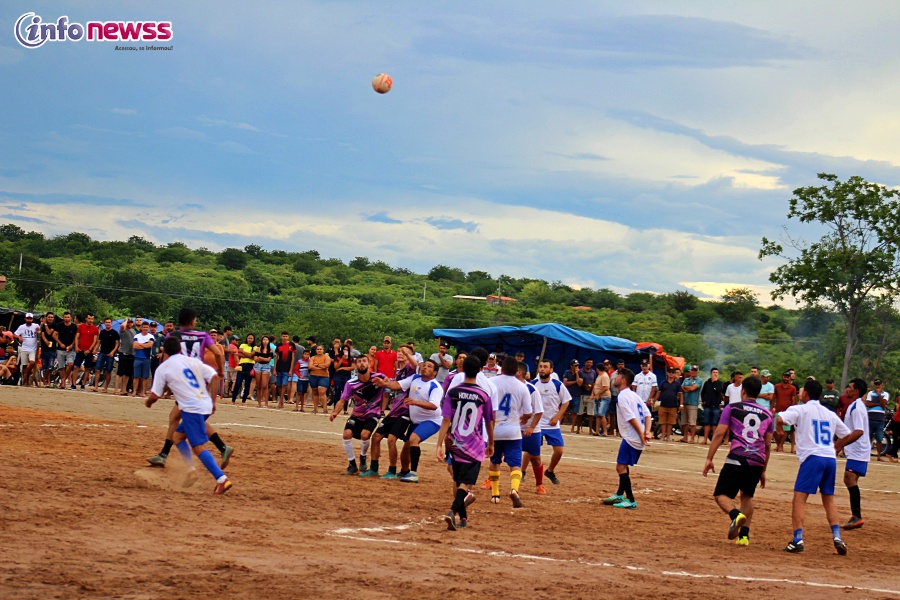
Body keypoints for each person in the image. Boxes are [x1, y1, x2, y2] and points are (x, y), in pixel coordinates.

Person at [144, 336, 232, 494]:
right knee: (177, 437)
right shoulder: (192, 361)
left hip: (192, 408)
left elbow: (155, 395)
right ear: (179, 349)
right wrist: (212, 401)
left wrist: (148, 402)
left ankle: (221, 479)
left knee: (197, 446)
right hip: (203, 403)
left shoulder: (163, 368)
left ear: (165, 351)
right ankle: (191, 470)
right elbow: (213, 376)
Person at [777, 379, 854, 555]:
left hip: (812, 458)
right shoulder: (829, 413)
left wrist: (779, 427)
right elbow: (847, 434)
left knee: (799, 499)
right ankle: (837, 536)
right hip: (829, 459)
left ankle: (798, 539)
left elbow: (780, 417)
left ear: (805, 394)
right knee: (828, 500)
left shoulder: (801, 409)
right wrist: (836, 447)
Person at [702, 376, 773, 547]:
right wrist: (763, 469)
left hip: (738, 456)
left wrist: (709, 458)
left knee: (721, 495)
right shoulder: (768, 414)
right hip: (757, 459)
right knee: (747, 496)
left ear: (743, 391)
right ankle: (744, 537)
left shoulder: (732, 408)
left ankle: (735, 515)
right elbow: (768, 444)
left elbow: (719, 433)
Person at [435, 355, 495, 531]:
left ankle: (463, 518)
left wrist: (439, 444)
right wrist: (491, 442)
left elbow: (446, 419)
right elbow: (489, 422)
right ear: (480, 370)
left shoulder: (452, 393)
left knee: (458, 479)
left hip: (455, 441)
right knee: (465, 483)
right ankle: (452, 511)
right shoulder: (483, 395)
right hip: (474, 444)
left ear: (461, 369)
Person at [376, 359, 443, 482]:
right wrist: (384, 384)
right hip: (416, 420)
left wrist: (414, 402)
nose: (424, 368)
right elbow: (397, 385)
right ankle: (405, 471)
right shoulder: (414, 378)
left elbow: (434, 405)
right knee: (407, 446)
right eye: (424, 365)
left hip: (431, 420)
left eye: (429, 367)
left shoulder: (435, 386)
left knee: (413, 439)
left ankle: (413, 473)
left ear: (434, 373)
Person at [482, 357, 532, 507]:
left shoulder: (491, 382)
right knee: (515, 464)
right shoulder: (522, 386)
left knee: (494, 461)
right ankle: (514, 489)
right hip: (512, 430)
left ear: (501, 368)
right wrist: (522, 419)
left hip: (494, 428)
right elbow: (529, 412)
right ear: (517, 371)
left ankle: (495, 494)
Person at [602, 368, 651, 509]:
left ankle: (630, 499)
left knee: (620, 467)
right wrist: (647, 431)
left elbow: (631, 418)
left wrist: (642, 435)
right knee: (623, 465)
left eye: (618, 377)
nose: (615, 378)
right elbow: (648, 415)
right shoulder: (634, 395)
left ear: (623, 380)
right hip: (635, 436)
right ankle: (619, 493)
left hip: (632, 437)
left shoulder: (623, 396)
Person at [330, 355, 388, 475]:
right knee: (346, 434)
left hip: (373, 413)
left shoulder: (379, 377)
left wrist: (385, 384)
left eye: (364, 361)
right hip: (357, 414)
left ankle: (363, 456)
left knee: (365, 435)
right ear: (356, 365)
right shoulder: (351, 383)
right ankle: (352, 465)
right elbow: (342, 400)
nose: (362, 364)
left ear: (369, 363)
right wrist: (335, 412)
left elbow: (392, 386)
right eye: (359, 362)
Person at [370, 347, 417, 479]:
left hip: (404, 412)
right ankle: (373, 468)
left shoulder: (411, 370)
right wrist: (384, 382)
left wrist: (409, 355)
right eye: (400, 352)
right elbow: (394, 384)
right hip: (394, 411)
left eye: (404, 352)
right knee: (376, 437)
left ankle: (392, 470)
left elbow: (415, 365)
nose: (401, 354)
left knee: (391, 439)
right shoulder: (399, 371)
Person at [531, 359, 570, 485]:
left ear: (551, 370)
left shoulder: (558, 384)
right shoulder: (533, 384)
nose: (542, 369)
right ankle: (523, 472)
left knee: (559, 451)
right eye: (540, 366)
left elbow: (566, 401)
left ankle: (550, 471)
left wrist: (557, 417)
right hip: (536, 424)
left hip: (552, 424)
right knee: (532, 451)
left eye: (545, 367)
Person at [841, 378, 870, 529]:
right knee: (850, 479)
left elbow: (859, 431)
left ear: (856, 391)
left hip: (858, 451)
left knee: (849, 478)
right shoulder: (855, 406)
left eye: (850, 387)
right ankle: (856, 516)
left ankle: (857, 516)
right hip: (856, 450)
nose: (847, 389)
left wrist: (841, 444)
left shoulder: (857, 407)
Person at [13, 312, 41, 387]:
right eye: (28, 318)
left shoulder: (36, 326)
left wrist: (38, 333)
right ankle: (26, 381)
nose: (29, 320)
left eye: (30, 318)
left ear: (32, 319)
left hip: (33, 348)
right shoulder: (22, 327)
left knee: (32, 362)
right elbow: (14, 334)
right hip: (24, 348)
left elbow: (39, 333)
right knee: (24, 365)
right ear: (25, 319)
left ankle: (25, 377)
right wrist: (19, 337)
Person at [92, 318, 120, 393]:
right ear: (104, 323)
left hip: (110, 354)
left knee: (108, 371)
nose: (108, 324)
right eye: (106, 322)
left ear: (111, 323)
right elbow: (99, 342)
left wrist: (113, 352)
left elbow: (117, 344)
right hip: (102, 353)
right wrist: (95, 349)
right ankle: (96, 386)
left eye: (109, 322)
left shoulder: (115, 333)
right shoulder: (102, 332)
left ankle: (106, 387)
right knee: (97, 369)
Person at [774, 371, 799, 453]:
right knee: (776, 429)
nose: (786, 378)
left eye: (787, 377)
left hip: (787, 411)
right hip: (778, 409)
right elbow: (774, 398)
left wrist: (792, 410)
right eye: (785, 376)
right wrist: (772, 408)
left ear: (789, 378)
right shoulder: (777, 386)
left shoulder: (792, 388)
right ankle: (778, 445)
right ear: (782, 377)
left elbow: (793, 400)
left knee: (786, 430)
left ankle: (781, 445)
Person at [53, 312, 78, 390]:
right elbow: (54, 335)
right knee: (61, 367)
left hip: (70, 349)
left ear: (71, 318)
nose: (66, 318)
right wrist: (60, 343)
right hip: (61, 349)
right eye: (65, 317)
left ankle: (63, 379)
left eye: (68, 317)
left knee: (70, 364)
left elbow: (75, 337)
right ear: (63, 318)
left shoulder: (74, 327)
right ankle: (63, 383)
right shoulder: (59, 325)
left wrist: (71, 346)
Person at [656, 367, 683, 442]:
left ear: (675, 374)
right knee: (663, 421)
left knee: (670, 422)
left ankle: (668, 436)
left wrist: (681, 404)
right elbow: (659, 393)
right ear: (667, 373)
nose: (671, 374)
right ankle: (663, 435)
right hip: (663, 404)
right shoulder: (663, 383)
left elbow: (680, 395)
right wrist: (654, 400)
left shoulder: (677, 384)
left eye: (673, 372)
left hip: (673, 405)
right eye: (670, 372)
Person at [74, 313, 99, 390]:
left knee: (87, 368)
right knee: (76, 366)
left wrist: (90, 350)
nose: (90, 320)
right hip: (81, 349)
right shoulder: (81, 327)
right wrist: (76, 346)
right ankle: (73, 384)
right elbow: (77, 337)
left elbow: (95, 340)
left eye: (92, 319)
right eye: (89, 318)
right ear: (86, 319)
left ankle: (83, 384)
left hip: (89, 351)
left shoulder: (95, 328)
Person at [865, 379, 888, 462]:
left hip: (880, 418)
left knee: (879, 438)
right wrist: (878, 404)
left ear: (882, 385)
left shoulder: (885, 394)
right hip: (871, 416)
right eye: (876, 384)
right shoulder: (870, 393)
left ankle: (879, 455)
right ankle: (867, 454)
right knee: (869, 437)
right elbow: (867, 404)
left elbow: (884, 404)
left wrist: (879, 395)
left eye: (879, 384)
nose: (877, 386)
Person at [700, 368, 726, 444]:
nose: (715, 373)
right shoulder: (707, 383)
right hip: (707, 405)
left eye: (716, 372)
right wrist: (704, 401)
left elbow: (720, 391)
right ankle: (705, 439)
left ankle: (714, 440)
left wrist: (715, 382)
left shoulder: (720, 383)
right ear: (711, 373)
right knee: (707, 423)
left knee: (715, 423)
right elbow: (703, 392)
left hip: (716, 405)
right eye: (714, 372)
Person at [273, 332, 297, 410]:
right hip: (279, 367)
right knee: (279, 385)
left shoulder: (292, 345)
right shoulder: (278, 346)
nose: (285, 337)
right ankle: (281, 400)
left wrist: (291, 369)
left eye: (286, 336)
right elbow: (276, 358)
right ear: (281, 336)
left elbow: (293, 358)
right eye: (283, 336)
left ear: (288, 337)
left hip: (287, 368)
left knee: (284, 384)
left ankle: (280, 401)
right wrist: (274, 369)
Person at [132, 321, 154, 398]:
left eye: (146, 327)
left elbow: (150, 345)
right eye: (144, 327)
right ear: (141, 328)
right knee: (136, 376)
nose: (145, 329)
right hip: (138, 358)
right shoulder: (137, 336)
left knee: (145, 377)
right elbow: (135, 346)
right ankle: (134, 391)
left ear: (148, 328)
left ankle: (143, 392)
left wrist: (140, 344)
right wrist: (145, 344)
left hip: (146, 358)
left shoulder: (151, 336)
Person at [231, 334, 256, 404]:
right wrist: (249, 355)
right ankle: (233, 399)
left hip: (250, 366)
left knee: (247, 384)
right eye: (248, 338)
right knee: (238, 383)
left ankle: (243, 401)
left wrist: (244, 353)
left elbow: (252, 355)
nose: (249, 339)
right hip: (242, 365)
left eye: (251, 338)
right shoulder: (242, 345)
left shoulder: (255, 347)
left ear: (253, 339)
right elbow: (239, 354)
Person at [680, 365, 702, 443]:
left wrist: (687, 388)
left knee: (692, 422)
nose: (693, 372)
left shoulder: (699, 380)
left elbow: (693, 388)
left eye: (695, 370)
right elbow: (682, 388)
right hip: (685, 401)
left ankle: (692, 438)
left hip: (693, 402)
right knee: (684, 421)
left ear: (697, 372)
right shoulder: (686, 379)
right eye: (692, 370)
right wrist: (689, 388)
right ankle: (685, 437)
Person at [308, 344, 331, 414]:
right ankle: (315, 408)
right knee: (315, 392)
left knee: (322, 391)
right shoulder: (312, 358)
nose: (319, 350)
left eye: (320, 349)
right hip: (313, 376)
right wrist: (321, 366)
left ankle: (325, 408)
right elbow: (310, 367)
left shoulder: (326, 357)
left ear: (323, 350)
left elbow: (327, 365)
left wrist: (317, 365)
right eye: (318, 349)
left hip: (324, 376)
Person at [591, 361, 611, 437]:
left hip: (604, 397)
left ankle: (605, 431)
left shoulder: (604, 376)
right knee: (598, 415)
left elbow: (606, 387)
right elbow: (596, 386)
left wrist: (598, 394)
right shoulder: (600, 375)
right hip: (599, 397)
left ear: (597, 369)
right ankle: (597, 431)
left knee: (601, 414)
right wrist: (593, 394)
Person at [563, 359, 583, 432]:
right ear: (571, 366)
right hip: (568, 394)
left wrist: (577, 374)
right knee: (564, 410)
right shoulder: (567, 372)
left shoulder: (580, 373)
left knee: (575, 412)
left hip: (576, 394)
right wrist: (575, 381)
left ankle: (572, 428)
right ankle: (560, 424)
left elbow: (580, 383)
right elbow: (565, 383)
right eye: (575, 366)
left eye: (577, 365)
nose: (576, 367)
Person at [39, 312, 57, 387]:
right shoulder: (42, 326)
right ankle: (47, 381)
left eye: (51, 317)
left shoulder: (55, 325)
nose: (50, 318)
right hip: (44, 348)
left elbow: (49, 333)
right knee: (45, 366)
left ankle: (44, 378)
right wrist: (45, 341)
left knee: (50, 367)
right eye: (49, 317)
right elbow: (42, 334)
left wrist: (45, 324)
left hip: (52, 349)